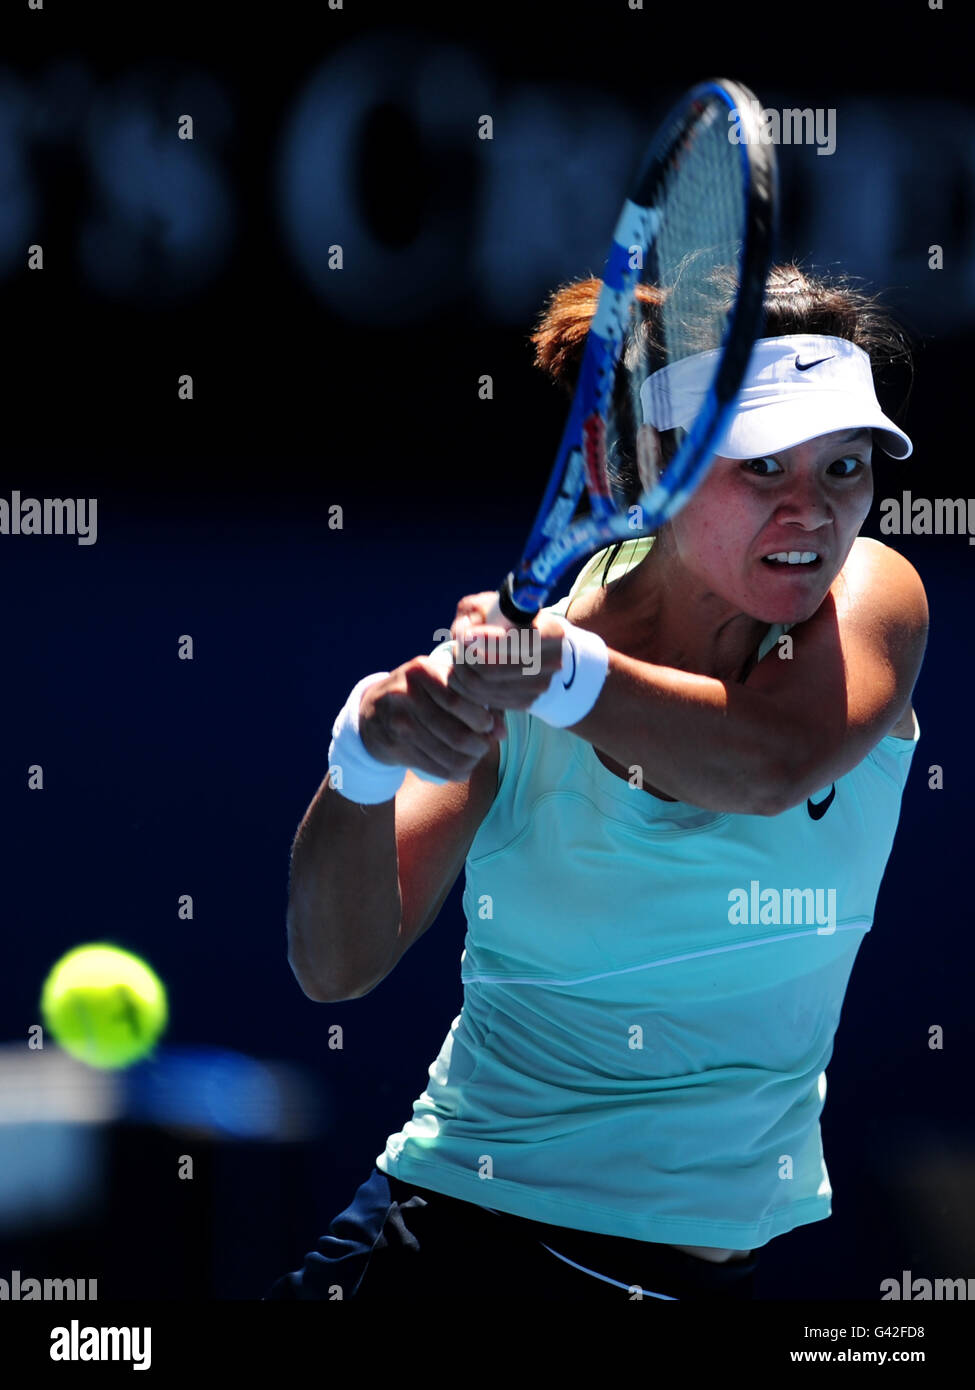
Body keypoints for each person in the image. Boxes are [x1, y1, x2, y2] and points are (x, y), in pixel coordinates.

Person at [265, 263, 928, 1302]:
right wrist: (364, 753)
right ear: (654, 465)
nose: (813, 512)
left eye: (845, 465)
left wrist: (559, 675)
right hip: (449, 1249)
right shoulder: (535, 669)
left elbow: (770, 763)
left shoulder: (873, 596)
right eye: (761, 467)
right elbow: (337, 963)